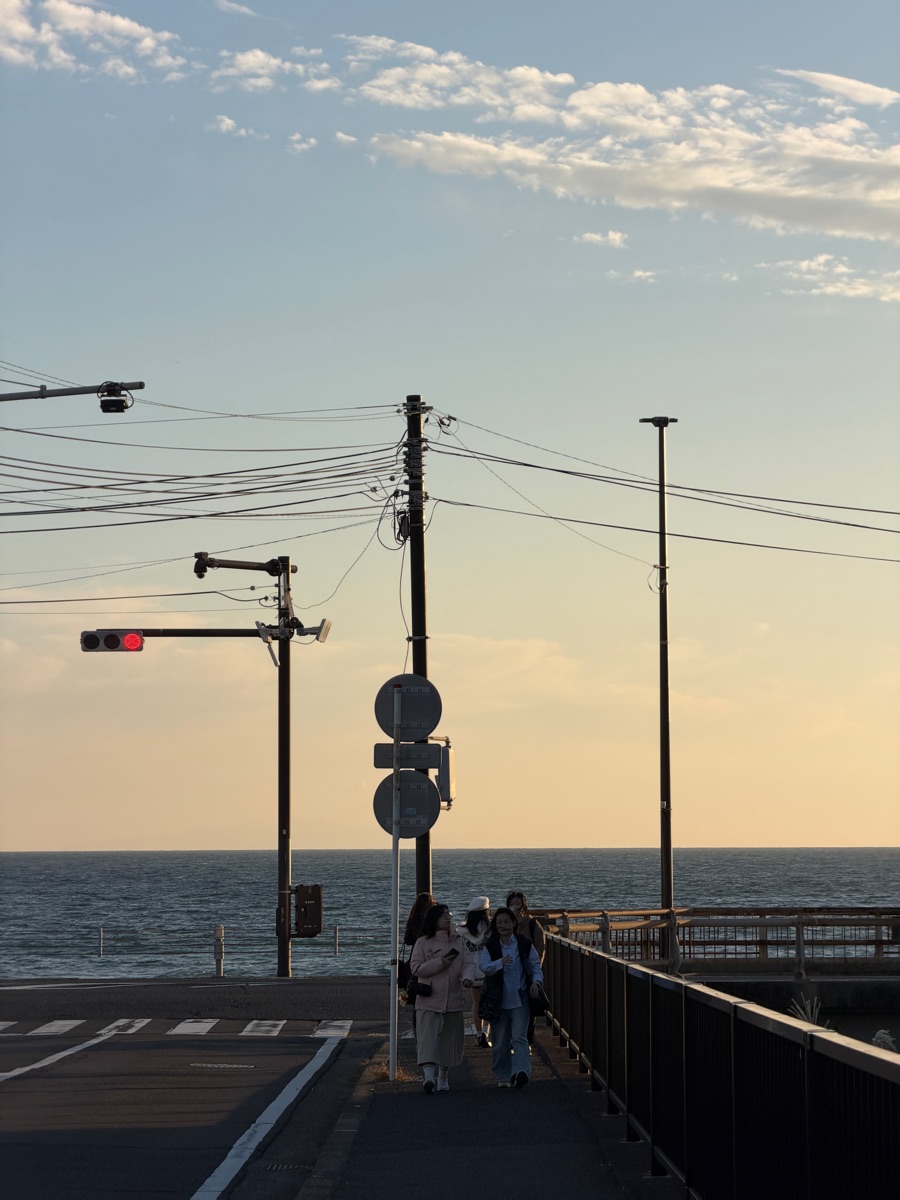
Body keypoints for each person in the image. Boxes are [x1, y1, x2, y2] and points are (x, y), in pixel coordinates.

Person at [410, 903, 474, 1093]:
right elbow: (415, 968)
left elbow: (468, 962)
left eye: (449, 915)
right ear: (434, 919)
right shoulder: (423, 942)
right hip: (428, 998)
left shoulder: (459, 941)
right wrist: (440, 963)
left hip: (452, 998)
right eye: (444, 915)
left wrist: (468, 978)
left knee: (449, 1041)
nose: (448, 918)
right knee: (427, 1040)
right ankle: (429, 1077)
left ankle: (443, 1076)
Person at [478, 906, 543, 1089]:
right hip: (498, 998)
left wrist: (536, 983)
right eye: (499, 923)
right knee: (499, 1039)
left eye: (506, 922)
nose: (503, 926)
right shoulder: (491, 945)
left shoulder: (523, 944)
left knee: (520, 1036)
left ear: (514, 923)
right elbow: (484, 966)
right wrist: (500, 962)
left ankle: (521, 1071)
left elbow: (535, 965)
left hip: (521, 996)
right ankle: (504, 1076)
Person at [507, 889, 545, 1044]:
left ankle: (526, 1041)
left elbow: (540, 948)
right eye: (512, 903)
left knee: (529, 1008)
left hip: (528, 974)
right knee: (509, 1007)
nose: (516, 906)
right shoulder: (504, 924)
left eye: (518, 903)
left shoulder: (532, 925)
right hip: (509, 973)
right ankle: (513, 1039)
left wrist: (536, 973)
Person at [457, 896, 492, 1047]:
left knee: (476, 1003)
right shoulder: (490, 930)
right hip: (489, 970)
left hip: (471, 972)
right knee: (490, 1002)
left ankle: (478, 1035)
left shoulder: (462, 931)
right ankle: (486, 1032)